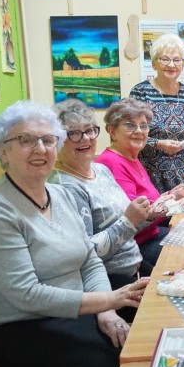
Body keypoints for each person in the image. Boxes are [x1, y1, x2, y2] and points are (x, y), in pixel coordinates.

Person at [0, 100, 147, 367]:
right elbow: (26, 294)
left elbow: (88, 258)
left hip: (61, 308)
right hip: (4, 325)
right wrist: (110, 300)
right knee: (101, 362)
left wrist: (106, 311)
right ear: (3, 151)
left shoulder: (60, 195)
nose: (40, 148)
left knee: (140, 333)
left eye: (48, 139)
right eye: (26, 140)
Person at [51, 98, 153, 300]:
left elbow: (128, 225)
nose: (85, 139)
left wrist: (148, 214)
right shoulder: (65, 187)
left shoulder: (101, 170)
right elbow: (85, 253)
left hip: (135, 264)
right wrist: (130, 220)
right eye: (73, 133)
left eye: (90, 130)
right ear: (57, 140)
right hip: (107, 283)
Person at [96, 98, 184, 266]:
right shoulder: (112, 162)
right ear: (112, 131)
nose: (139, 131)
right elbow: (135, 219)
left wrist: (173, 194)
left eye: (143, 125)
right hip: (136, 246)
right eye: (129, 125)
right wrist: (171, 201)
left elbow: (150, 205)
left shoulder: (132, 157)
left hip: (152, 234)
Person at [130, 33, 184, 193]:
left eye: (177, 60)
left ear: (183, 64)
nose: (172, 65)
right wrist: (159, 144)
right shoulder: (141, 92)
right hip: (151, 176)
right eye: (165, 59)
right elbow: (131, 136)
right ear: (154, 63)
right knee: (158, 216)